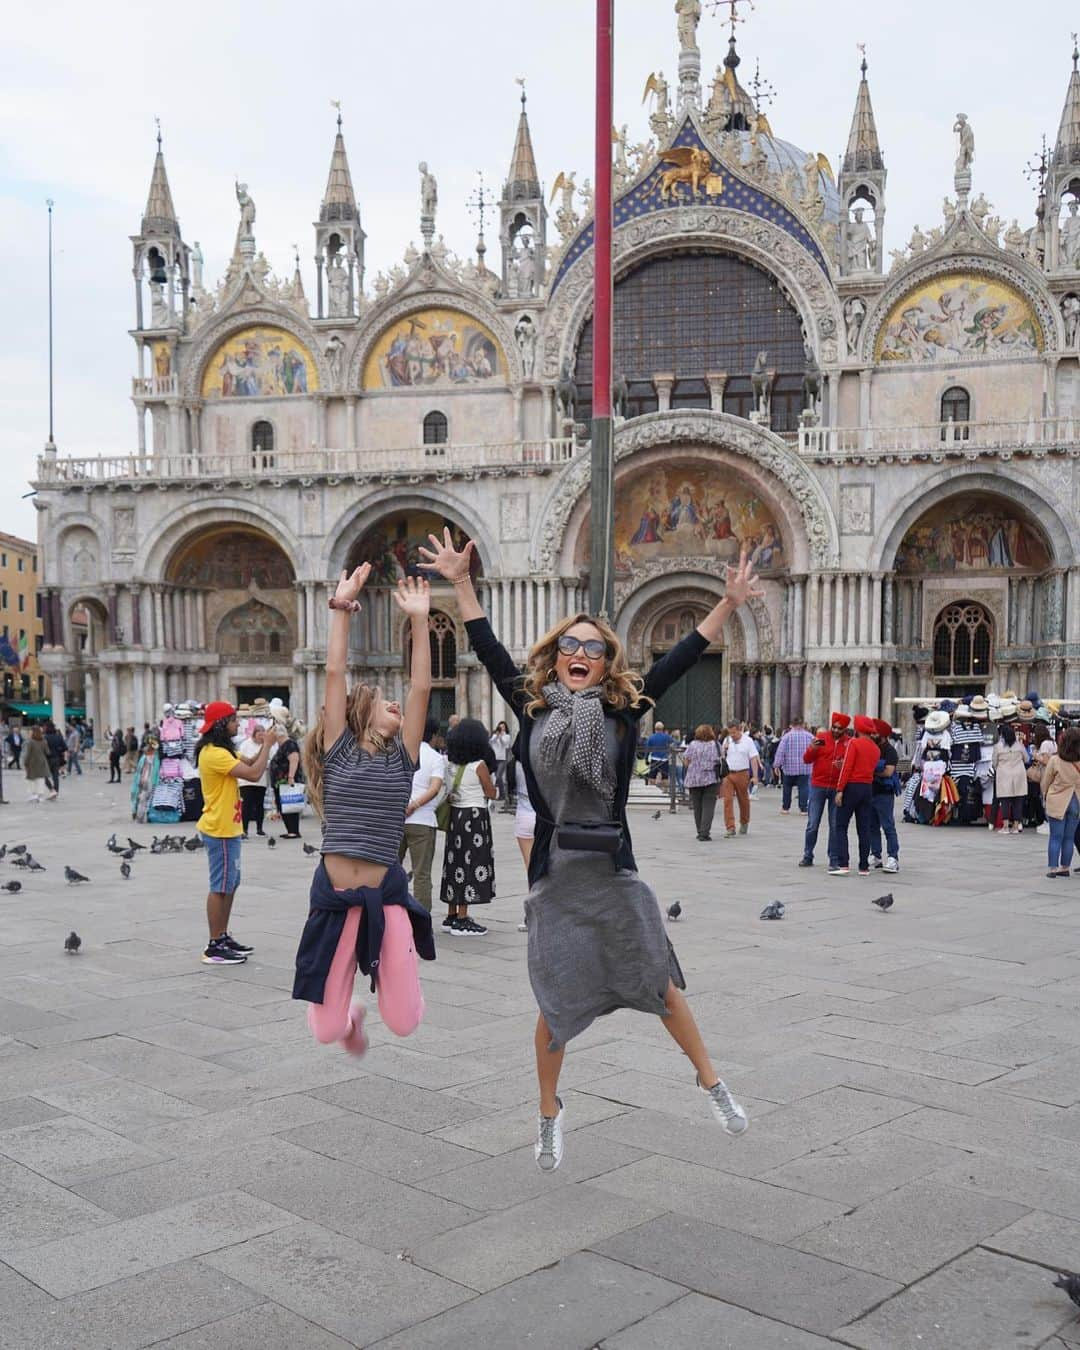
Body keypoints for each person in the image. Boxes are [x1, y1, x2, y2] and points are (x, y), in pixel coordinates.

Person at [421, 526, 754, 1171]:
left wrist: (730, 603)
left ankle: (710, 1081)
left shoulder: (625, 711)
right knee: (555, 1004)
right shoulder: (531, 703)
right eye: (570, 645)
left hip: (612, 871)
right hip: (556, 877)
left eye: (593, 650)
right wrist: (461, 583)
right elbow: (487, 647)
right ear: (556, 656)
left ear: (605, 664)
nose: (580, 654)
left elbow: (682, 656)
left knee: (660, 984)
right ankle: (550, 1115)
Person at [293, 567, 434, 1058]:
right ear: (358, 715)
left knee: (403, 1022)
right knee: (327, 1030)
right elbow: (334, 673)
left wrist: (420, 621)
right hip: (332, 898)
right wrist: (340, 609)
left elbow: (421, 688)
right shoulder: (339, 750)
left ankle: (395, 980)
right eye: (383, 701)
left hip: (383, 896)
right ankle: (350, 1014)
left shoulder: (404, 758)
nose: (396, 703)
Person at [196, 701, 282, 964]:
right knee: (220, 886)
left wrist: (268, 741)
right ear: (222, 724)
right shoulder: (214, 754)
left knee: (230, 883)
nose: (237, 724)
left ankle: (222, 936)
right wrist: (267, 744)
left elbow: (253, 761)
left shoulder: (224, 750)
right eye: (233, 720)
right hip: (219, 827)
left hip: (228, 826)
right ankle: (214, 946)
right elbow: (255, 775)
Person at [440, 717, 498, 935]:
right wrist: (497, 792)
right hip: (474, 817)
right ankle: (463, 919)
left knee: (454, 863)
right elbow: (490, 792)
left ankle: (452, 913)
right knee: (471, 864)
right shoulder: (479, 766)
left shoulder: (450, 765)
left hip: (456, 817)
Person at [401, 715, 445, 912]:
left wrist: (403, 805)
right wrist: (415, 805)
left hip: (397, 818)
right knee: (422, 874)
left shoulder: (400, 752)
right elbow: (435, 788)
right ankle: (421, 919)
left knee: (389, 869)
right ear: (433, 736)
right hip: (423, 820)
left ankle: (389, 913)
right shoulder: (436, 758)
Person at [832, 715, 881, 876]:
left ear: (858, 729)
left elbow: (847, 767)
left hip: (852, 787)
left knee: (840, 825)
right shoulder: (876, 748)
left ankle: (843, 863)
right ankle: (863, 866)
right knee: (864, 828)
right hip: (867, 788)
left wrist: (840, 789)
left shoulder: (854, 743)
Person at [800, 713, 849, 867]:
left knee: (834, 825)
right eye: (833, 727)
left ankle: (833, 858)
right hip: (818, 785)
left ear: (844, 729)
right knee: (813, 823)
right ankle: (808, 855)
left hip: (836, 787)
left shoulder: (848, 743)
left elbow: (850, 765)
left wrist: (843, 766)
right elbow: (807, 759)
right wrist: (812, 748)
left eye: (839, 728)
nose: (835, 730)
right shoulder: (822, 738)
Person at [1042, 726, 1080, 877]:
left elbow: (1046, 781)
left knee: (1055, 836)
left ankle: (1053, 868)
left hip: (1057, 801)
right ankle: (1065, 867)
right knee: (1069, 837)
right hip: (1076, 801)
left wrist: (1045, 795)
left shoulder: (1055, 760)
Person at [868, 718, 901, 874]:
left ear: (882, 735)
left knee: (888, 826)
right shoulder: (871, 747)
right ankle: (876, 855)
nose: (872, 734)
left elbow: (888, 772)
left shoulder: (890, 751)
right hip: (870, 791)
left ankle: (893, 857)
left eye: (875, 732)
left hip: (884, 794)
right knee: (872, 826)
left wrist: (869, 770)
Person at [720, 722, 760, 836]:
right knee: (727, 800)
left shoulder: (748, 741)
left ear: (739, 730)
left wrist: (755, 776)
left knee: (743, 800)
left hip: (742, 773)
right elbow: (722, 756)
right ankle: (730, 827)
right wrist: (724, 750)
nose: (732, 735)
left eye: (734, 732)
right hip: (728, 773)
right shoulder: (727, 740)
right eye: (730, 732)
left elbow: (753, 759)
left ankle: (744, 822)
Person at [683, 724, 721, 841]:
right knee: (708, 806)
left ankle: (700, 830)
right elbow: (721, 758)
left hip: (694, 779)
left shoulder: (692, 745)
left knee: (697, 807)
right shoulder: (716, 745)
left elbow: (686, 761)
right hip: (711, 778)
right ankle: (704, 833)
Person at [992, 722, 1029, 835]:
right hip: (1019, 774)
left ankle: (1005, 826)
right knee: (1018, 801)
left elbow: (994, 762)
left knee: (1005, 801)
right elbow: (1027, 759)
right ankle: (1016, 827)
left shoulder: (998, 747)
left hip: (1004, 775)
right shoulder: (1019, 745)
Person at [513, 749, 536, 931]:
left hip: (523, 815)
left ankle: (531, 916)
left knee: (531, 869)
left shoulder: (518, 764)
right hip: (544, 816)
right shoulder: (541, 760)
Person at [773, 717, 813, 813]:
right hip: (805, 767)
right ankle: (803, 808)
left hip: (789, 768)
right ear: (803, 724)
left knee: (787, 787)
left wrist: (776, 765)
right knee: (803, 787)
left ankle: (786, 807)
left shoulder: (786, 737)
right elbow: (816, 749)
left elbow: (780, 752)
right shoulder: (810, 736)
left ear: (792, 725)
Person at [237, 724, 270, 838]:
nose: (261, 737)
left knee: (259, 805)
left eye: (263, 735)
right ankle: (244, 829)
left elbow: (270, 759)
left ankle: (259, 828)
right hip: (246, 781)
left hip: (261, 780)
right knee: (247, 805)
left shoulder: (266, 745)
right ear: (254, 734)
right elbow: (245, 760)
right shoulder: (245, 744)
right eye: (259, 735)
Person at [271, 729, 303, 840]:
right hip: (281, 782)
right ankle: (291, 830)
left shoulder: (289, 744)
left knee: (290, 805)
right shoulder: (283, 745)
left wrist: (291, 777)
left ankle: (293, 831)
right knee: (284, 806)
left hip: (286, 782)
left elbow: (294, 759)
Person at [23, 726, 51, 802]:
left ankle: (33, 795)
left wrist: (25, 762)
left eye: (31, 731)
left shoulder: (30, 742)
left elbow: (28, 754)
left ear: (33, 732)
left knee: (31, 779)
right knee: (41, 779)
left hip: (32, 762)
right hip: (42, 762)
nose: (29, 733)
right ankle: (40, 795)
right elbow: (48, 752)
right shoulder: (44, 741)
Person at [490, 720, 512, 805]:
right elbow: (491, 742)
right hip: (495, 758)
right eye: (500, 727)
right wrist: (496, 735)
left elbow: (504, 744)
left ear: (505, 728)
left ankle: (502, 794)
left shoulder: (507, 736)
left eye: (503, 727)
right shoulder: (495, 735)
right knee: (496, 777)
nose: (502, 728)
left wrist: (501, 736)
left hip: (502, 759)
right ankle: (501, 794)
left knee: (498, 776)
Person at [644, 720, 672, 785]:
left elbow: (648, 749)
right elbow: (673, 743)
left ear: (655, 728)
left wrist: (646, 759)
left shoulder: (651, 737)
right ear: (662, 728)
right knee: (665, 777)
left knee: (652, 777)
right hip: (664, 759)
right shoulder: (666, 737)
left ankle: (653, 791)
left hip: (654, 759)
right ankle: (665, 791)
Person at [43, 722, 66, 796]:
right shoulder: (59, 737)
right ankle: (56, 791)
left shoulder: (45, 737)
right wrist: (58, 751)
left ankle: (51, 789)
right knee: (55, 776)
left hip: (47, 759)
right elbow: (65, 747)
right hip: (57, 758)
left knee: (44, 776)